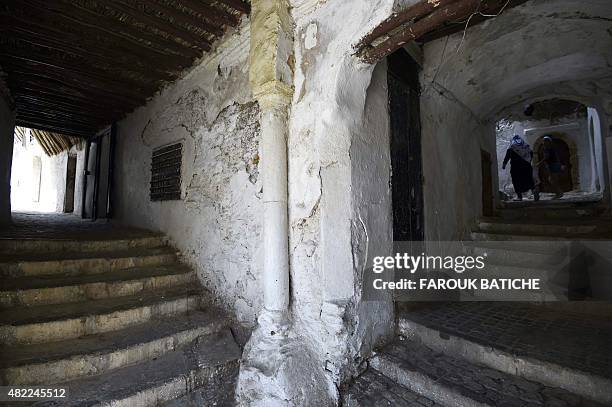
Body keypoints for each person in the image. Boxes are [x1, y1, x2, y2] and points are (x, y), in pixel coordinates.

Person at [502, 135, 539, 201]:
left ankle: (519, 197)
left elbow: (507, 156)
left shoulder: (512, 147)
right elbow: (531, 155)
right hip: (527, 167)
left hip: (516, 168)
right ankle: (534, 191)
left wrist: (504, 164)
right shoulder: (526, 147)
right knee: (529, 180)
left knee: (516, 181)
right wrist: (528, 162)